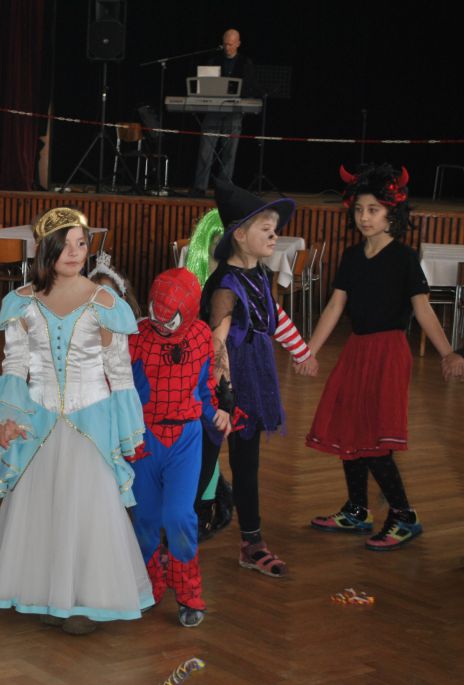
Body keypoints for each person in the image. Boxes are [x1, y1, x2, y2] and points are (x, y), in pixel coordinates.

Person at [0, 208, 152, 636]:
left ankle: (84, 598)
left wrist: (126, 427)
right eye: (65, 245)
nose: (75, 253)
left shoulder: (105, 303)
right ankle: (44, 592)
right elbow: (15, 366)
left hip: (90, 419)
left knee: (88, 512)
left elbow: (119, 373)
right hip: (39, 419)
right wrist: (6, 418)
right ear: (46, 250)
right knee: (43, 509)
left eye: (81, 244)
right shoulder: (22, 302)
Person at [306, 164, 464, 550]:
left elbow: (423, 310)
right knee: (347, 429)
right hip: (357, 350)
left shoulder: (404, 259)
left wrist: (448, 353)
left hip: (389, 352)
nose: (365, 217)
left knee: (376, 438)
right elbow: (334, 306)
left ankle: (404, 515)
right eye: (360, 209)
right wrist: (307, 350)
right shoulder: (351, 257)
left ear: (392, 212)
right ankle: (357, 510)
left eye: (373, 210)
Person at [199, 179, 317, 578]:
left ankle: (252, 543)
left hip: (254, 379)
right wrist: (225, 398)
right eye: (265, 228)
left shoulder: (260, 274)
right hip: (225, 387)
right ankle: (173, 543)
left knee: (247, 464)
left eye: (275, 228)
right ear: (238, 235)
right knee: (202, 466)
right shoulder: (226, 286)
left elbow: (274, 316)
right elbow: (216, 344)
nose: (274, 234)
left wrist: (301, 351)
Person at [126, 268, 230, 628]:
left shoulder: (200, 336)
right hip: (143, 438)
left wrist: (216, 413)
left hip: (186, 439)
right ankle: (150, 585)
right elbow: (121, 388)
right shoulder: (136, 336)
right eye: (156, 314)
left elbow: (204, 388)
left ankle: (188, 592)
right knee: (145, 518)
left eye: (169, 318)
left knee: (180, 516)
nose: (161, 324)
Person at [190, 29, 257, 197]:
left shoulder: (245, 63)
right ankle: (200, 187)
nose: (227, 48)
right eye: (225, 44)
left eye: (231, 44)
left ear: (238, 44)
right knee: (205, 151)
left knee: (229, 154)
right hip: (213, 110)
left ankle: (224, 189)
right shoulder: (214, 60)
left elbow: (248, 87)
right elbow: (205, 85)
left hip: (234, 112)